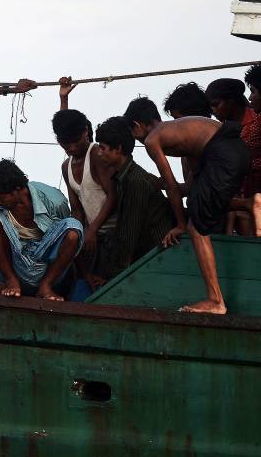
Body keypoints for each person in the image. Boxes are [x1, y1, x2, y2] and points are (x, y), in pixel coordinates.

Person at [123, 97, 253, 313]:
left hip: (221, 153)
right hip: (237, 151)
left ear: (137, 126)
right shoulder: (180, 128)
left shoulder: (152, 140)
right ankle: (250, 203)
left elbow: (172, 187)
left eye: (133, 134)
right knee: (199, 202)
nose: (136, 140)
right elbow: (192, 185)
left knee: (196, 228)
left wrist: (181, 225)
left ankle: (215, 300)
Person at [0, 158, 84, 302]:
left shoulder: (54, 201)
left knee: (74, 226)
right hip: (16, 267)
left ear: (17, 190)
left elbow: (70, 241)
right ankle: (11, 281)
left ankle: (45, 286)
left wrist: (85, 274)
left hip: (46, 267)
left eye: (1, 198)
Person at [90, 117, 177, 276]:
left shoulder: (135, 181)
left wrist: (114, 278)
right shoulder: (123, 177)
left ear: (118, 149)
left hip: (156, 255)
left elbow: (129, 235)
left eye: (103, 148)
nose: (99, 153)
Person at [51, 105, 117, 289]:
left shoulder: (96, 154)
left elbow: (113, 195)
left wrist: (92, 230)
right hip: (93, 235)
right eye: (65, 143)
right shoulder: (66, 167)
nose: (71, 147)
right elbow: (77, 210)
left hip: (114, 231)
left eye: (75, 141)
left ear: (86, 132)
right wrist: (79, 233)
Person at [206, 77, 260, 236]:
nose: (213, 111)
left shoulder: (257, 120)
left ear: (231, 101)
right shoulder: (220, 132)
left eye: (216, 105)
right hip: (242, 208)